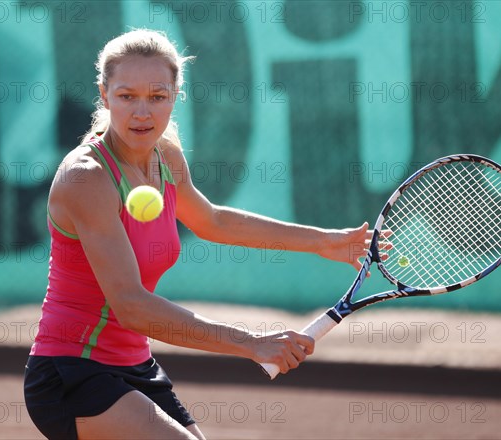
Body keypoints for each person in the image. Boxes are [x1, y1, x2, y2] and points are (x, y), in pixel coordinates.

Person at [24, 29, 374, 440]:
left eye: (157, 97)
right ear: (104, 96)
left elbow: (212, 221)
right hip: (70, 372)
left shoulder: (165, 153)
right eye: (126, 96)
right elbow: (132, 306)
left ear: (176, 96)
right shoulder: (87, 179)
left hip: (134, 365)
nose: (142, 112)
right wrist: (251, 343)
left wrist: (322, 242)